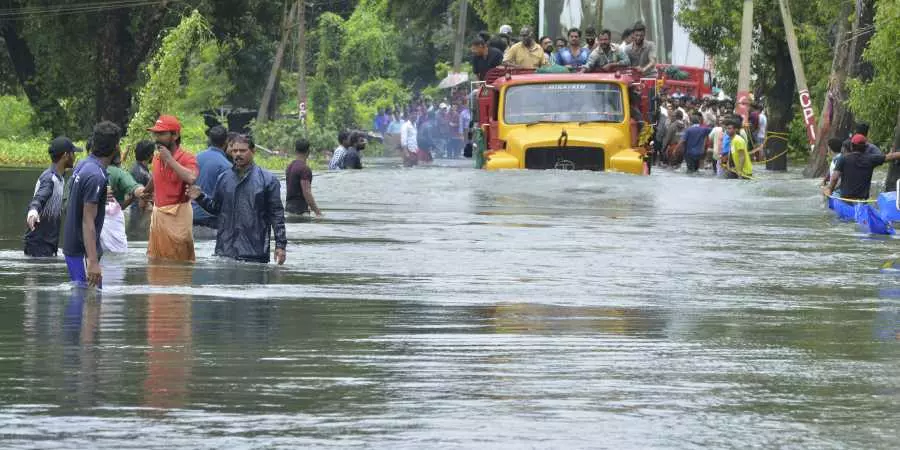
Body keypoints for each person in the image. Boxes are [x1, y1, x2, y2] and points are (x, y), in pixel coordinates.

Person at [189, 135, 287, 265]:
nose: (238, 154)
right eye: (235, 151)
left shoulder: (268, 180)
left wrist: (280, 246)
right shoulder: (224, 178)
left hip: (255, 252)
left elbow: (277, 215)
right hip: (225, 250)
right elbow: (216, 208)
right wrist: (200, 197)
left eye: (242, 150)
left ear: (253, 151)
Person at [63, 121, 119, 288]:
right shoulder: (96, 176)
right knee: (87, 300)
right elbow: (88, 221)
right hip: (82, 251)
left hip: (75, 246)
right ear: (116, 147)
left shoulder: (83, 164)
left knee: (85, 301)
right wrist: (93, 262)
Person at [147, 115, 198, 262]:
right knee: (156, 264)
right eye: (155, 134)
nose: (157, 138)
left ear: (175, 135)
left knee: (178, 265)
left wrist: (170, 159)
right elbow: (156, 177)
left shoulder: (187, 158)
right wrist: (145, 192)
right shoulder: (157, 158)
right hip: (158, 220)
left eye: (162, 134)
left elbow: (191, 178)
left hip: (178, 221)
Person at [24, 136, 81, 257]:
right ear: (66, 155)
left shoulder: (60, 178)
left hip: (48, 245)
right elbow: (40, 197)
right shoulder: (50, 179)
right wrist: (33, 211)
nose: (74, 156)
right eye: (73, 153)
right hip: (38, 246)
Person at [101, 144, 147, 253]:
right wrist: (139, 192)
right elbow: (134, 186)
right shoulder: (117, 172)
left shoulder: (86, 169)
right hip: (111, 227)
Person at [825, 134, 900, 200]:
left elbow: (834, 178)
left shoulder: (843, 159)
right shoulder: (871, 159)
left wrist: (829, 190)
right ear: (866, 147)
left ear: (851, 146)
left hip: (846, 200)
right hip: (862, 200)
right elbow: (891, 156)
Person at [193, 125, 231, 231]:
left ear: (209, 139)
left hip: (189, 215)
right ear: (227, 141)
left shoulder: (194, 158)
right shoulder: (226, 166)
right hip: (210, 219)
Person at [285, 138, 323, 217]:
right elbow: (307, 193)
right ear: (308, 152)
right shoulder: (304, 169)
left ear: (295, 150)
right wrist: (318, 213)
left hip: (288, 209)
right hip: (300, 212)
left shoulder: (289, 167)